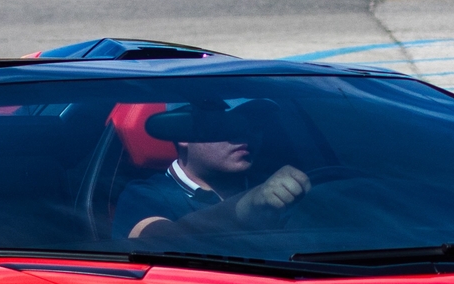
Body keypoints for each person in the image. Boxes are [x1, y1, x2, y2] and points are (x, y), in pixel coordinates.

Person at [115, 101, 309, 240]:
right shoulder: (143, 197)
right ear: (183, 133)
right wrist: (246, 207)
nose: (244, 133)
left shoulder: (276, 188)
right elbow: (159, 245)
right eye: (227, 123)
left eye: (255, 124)